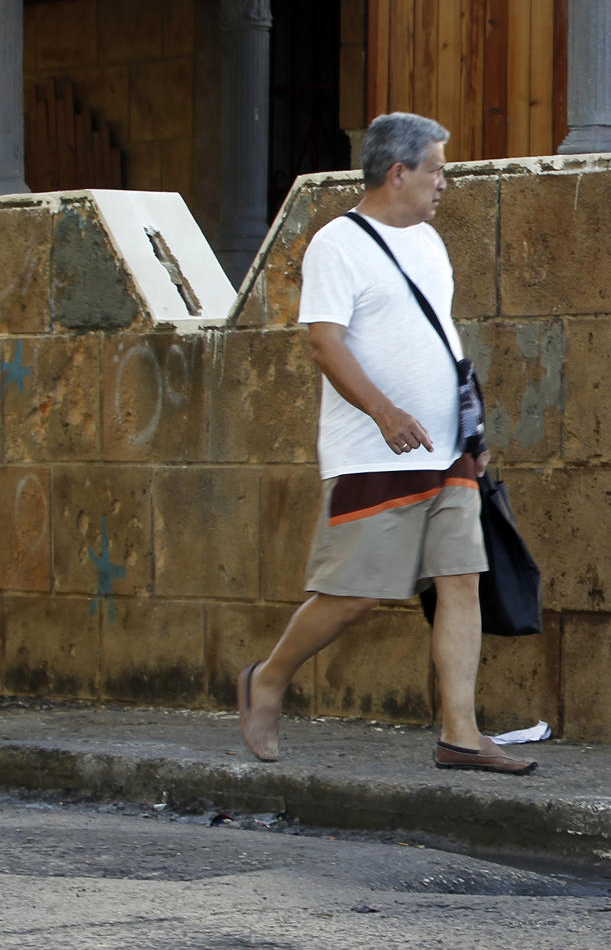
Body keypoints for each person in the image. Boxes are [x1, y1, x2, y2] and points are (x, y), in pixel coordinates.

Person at [236, 111, 534, 775]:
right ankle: (268, 678)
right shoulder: (337, 244)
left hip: (448, 451)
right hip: (376, 452)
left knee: (461, 580)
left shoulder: (429, 242)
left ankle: (460, 734)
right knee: (355, 593)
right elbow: (324, 343)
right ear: (398, 173)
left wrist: (474, 431)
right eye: (435, 169)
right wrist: (384, 412)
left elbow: (443, 341)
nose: (443, 182)